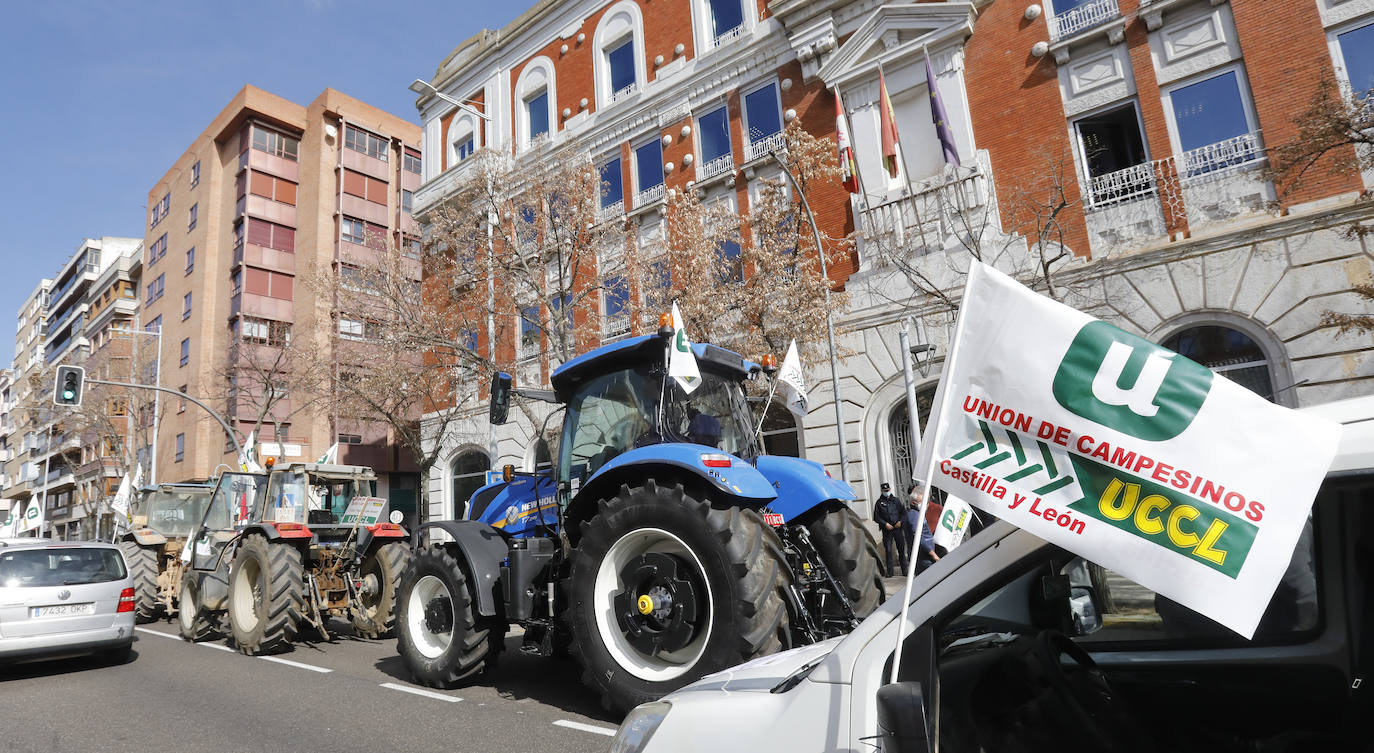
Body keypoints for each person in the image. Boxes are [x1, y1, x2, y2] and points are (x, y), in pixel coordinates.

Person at [903, 484, 941, 573]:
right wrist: (933, 554)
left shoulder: (918, 514)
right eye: (922, 502)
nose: (926, 505)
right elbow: (919, 536)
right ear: (913, 503)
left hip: (924, 556)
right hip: (923, 557)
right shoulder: (914, 515)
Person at [872, 482, 907, 577]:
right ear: (882, 491)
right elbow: (876, 517)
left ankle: (905, 571)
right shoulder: (879, 503)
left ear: (890, 490)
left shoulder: (896, 501)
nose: (886, 492)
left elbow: (903, 513)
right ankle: (890, 572)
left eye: (887, 490)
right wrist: (885, 524)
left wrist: (900, 521)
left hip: (897, 529)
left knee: (901, 550)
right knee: (888, 550)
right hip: (887, 530)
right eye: (885, 491)